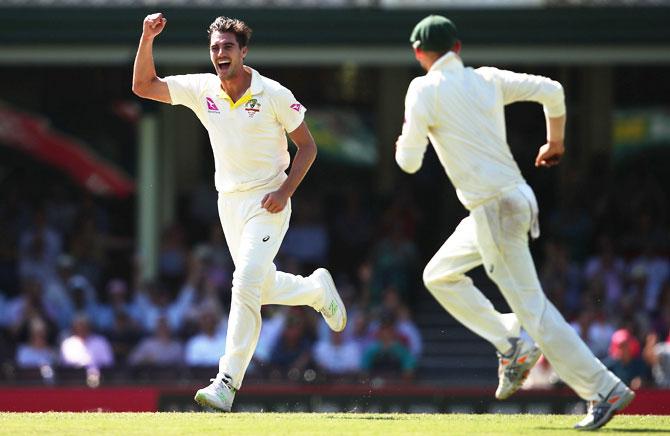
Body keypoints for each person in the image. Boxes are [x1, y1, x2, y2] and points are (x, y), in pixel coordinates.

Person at [395, 15, 634, 430]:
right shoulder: (485, 79)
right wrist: (555, 141)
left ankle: (602, 389)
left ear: (419, 53)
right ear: (458, 48)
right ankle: (509, 341)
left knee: (534, 310)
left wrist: (410, 135)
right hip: (515, 199)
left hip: (494, 209)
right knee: (439, 274)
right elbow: (553, 91)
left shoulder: (423, 89)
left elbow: (409, 162)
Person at [132, 13, 346, 412]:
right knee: (259, 286)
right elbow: (143, 86)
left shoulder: (274, 93)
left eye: (227, 47)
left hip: (269, 199)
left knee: (244, 281)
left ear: (243, 51)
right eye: (214, 48)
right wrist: (147, 38)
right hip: (229, 203)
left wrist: (285, 191)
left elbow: (309, 147)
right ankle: (315, 290)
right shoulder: (202, 88)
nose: (219, 54)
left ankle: (226, 382)